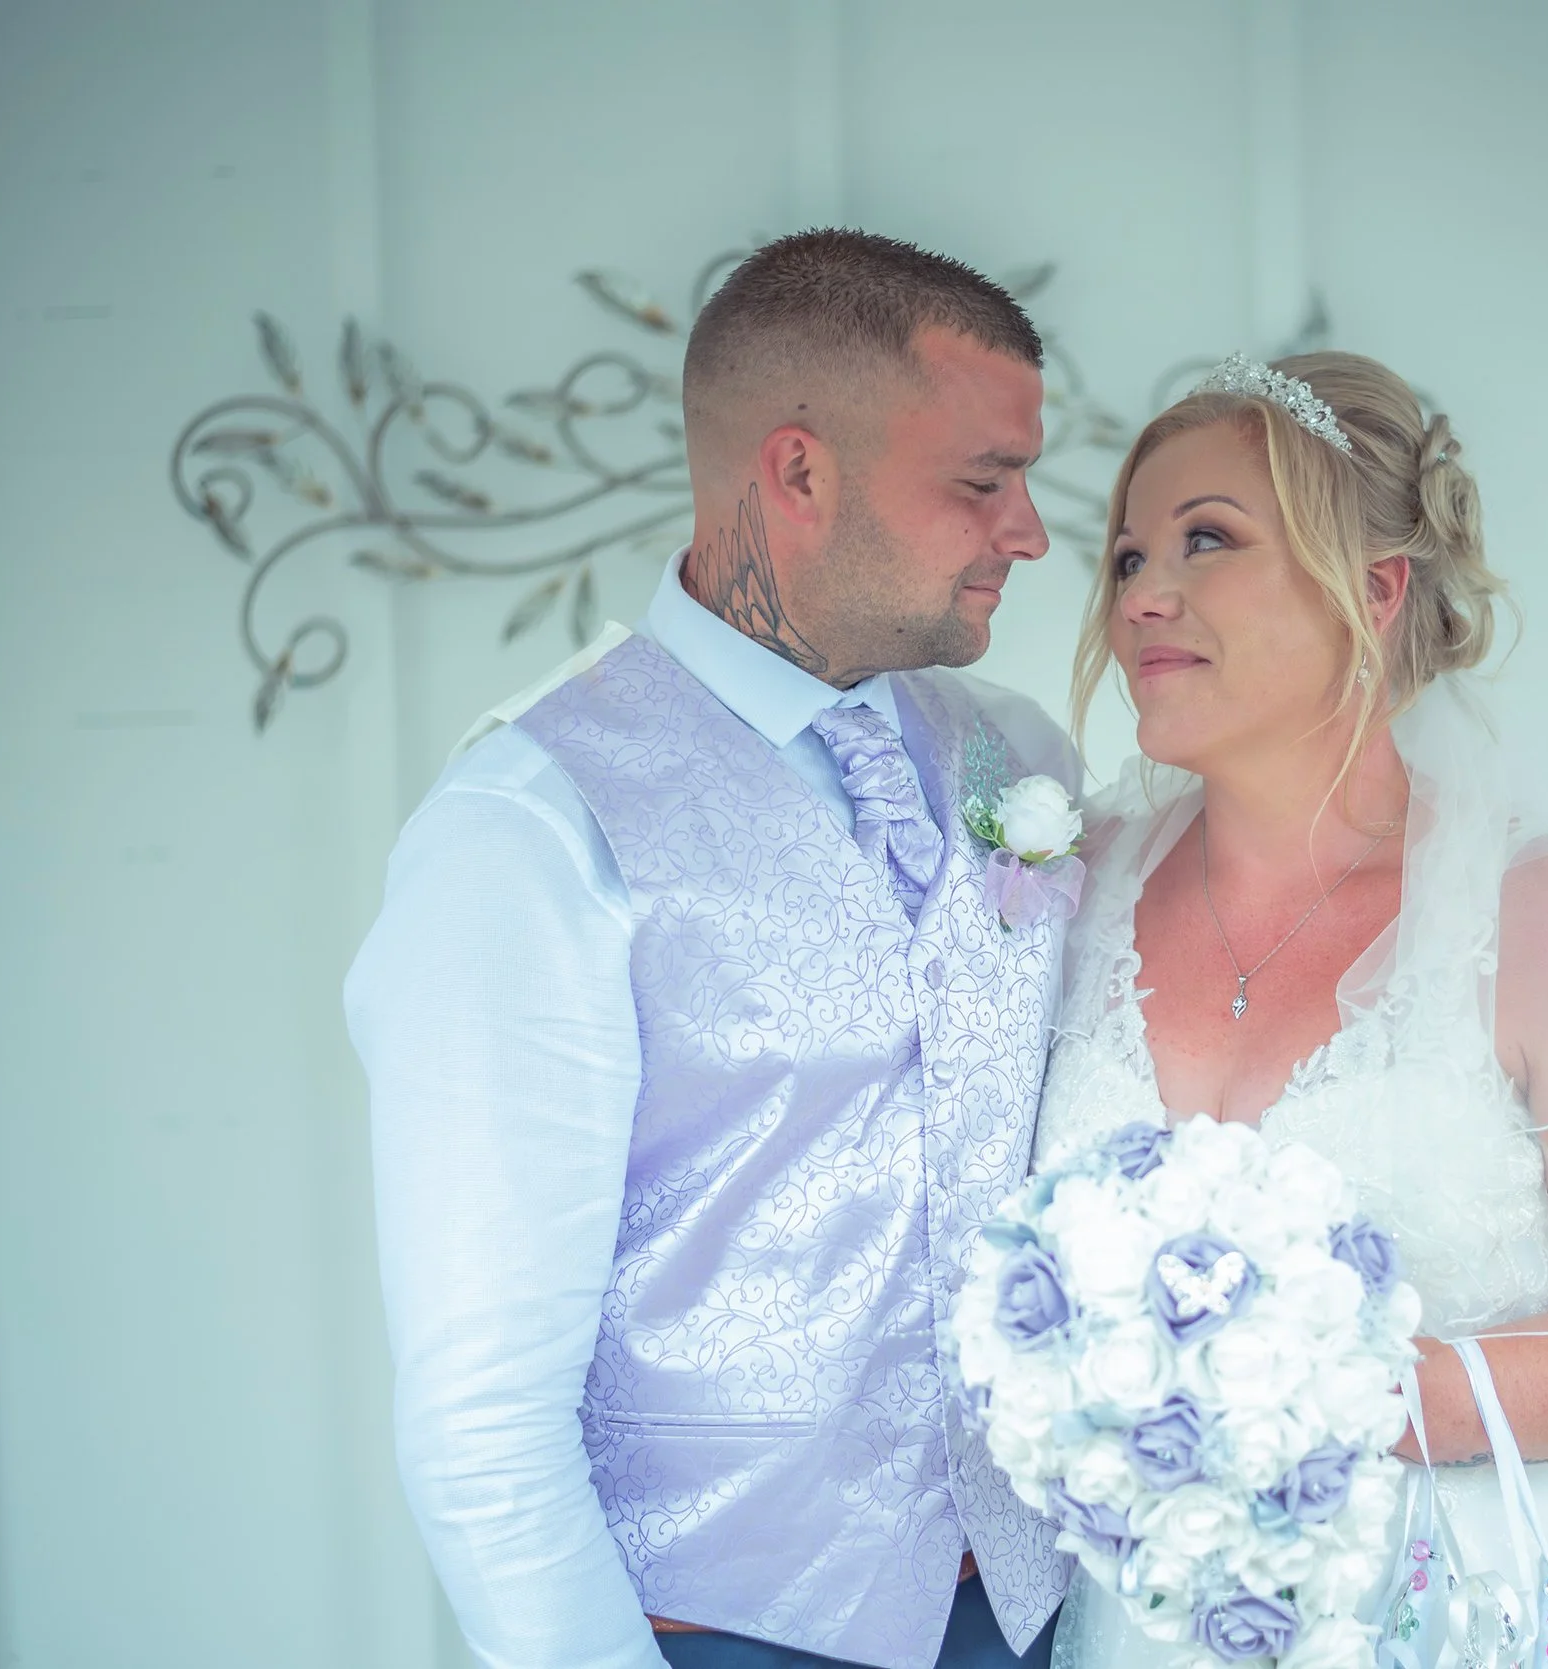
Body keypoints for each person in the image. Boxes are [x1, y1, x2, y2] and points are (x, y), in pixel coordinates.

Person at [1031, 351, 1548, 1666]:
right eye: (1127, 558)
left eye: (1205, 540)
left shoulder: (1530, 912)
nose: (1143, 596)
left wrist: (1362, 1401)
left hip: (1479, 1609)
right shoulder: (1068, 888)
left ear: (1375, 587)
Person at [347, 229, 1082, 1669]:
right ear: (800, 473)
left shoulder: (1019, 758)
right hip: (721, 1632)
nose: (1029, 532)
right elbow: (481, 1412)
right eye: (981, 482)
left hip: (1035, 1614)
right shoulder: (530, 824)